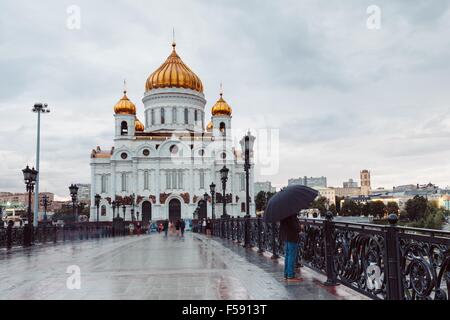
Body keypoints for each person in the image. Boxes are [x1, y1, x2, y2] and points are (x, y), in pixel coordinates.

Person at [280, 215, 301, 281]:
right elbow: (296, 227)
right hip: (292, 237)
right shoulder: (292, 215)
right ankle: (290, 275)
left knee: (287, 255)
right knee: (291, 256)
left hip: (286, 237)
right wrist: (300, 227)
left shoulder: (283, 214)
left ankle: (286, 274)